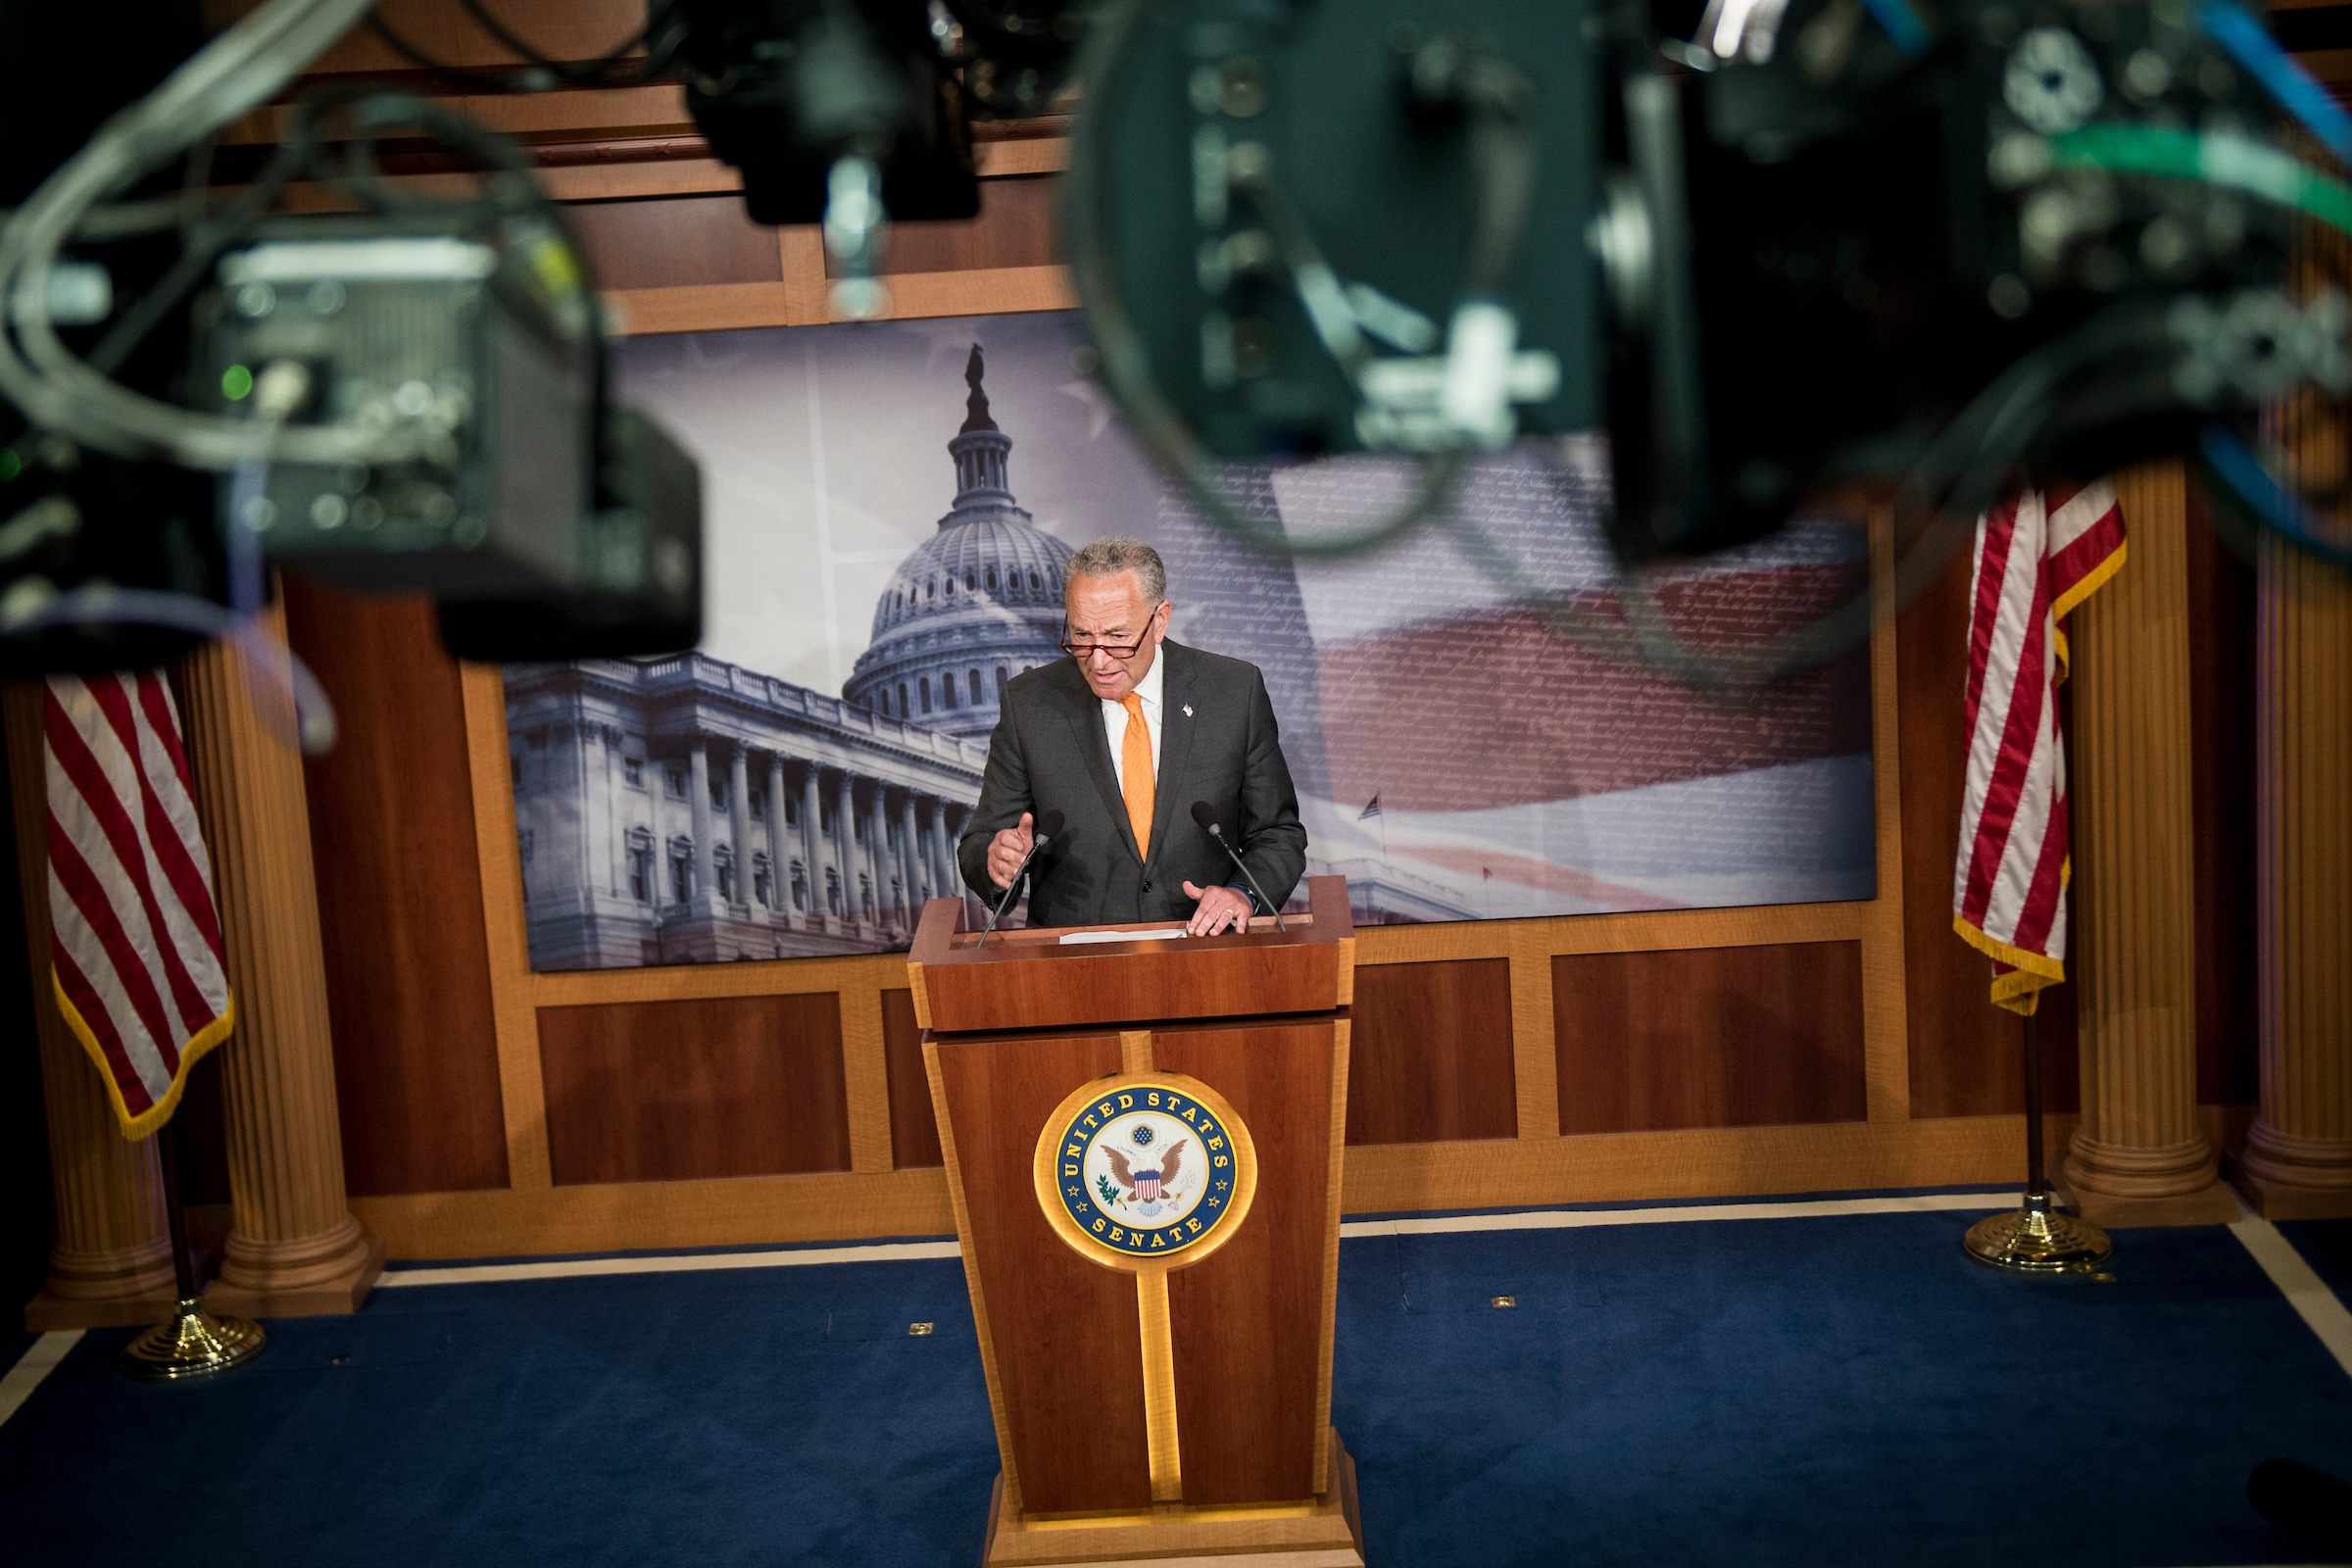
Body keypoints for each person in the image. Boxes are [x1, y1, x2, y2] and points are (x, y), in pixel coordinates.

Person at [957, 537, 1307, 935]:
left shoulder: (1233, 692)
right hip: (1076, 968)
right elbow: (980, 841)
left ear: (1160, 620)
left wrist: (1244, 893)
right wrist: (995, 861)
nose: (1099, 659)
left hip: (1207, 954)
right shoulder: (1029, 705)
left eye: (1118, 637)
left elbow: (1278, 834)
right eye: (1081, 636)